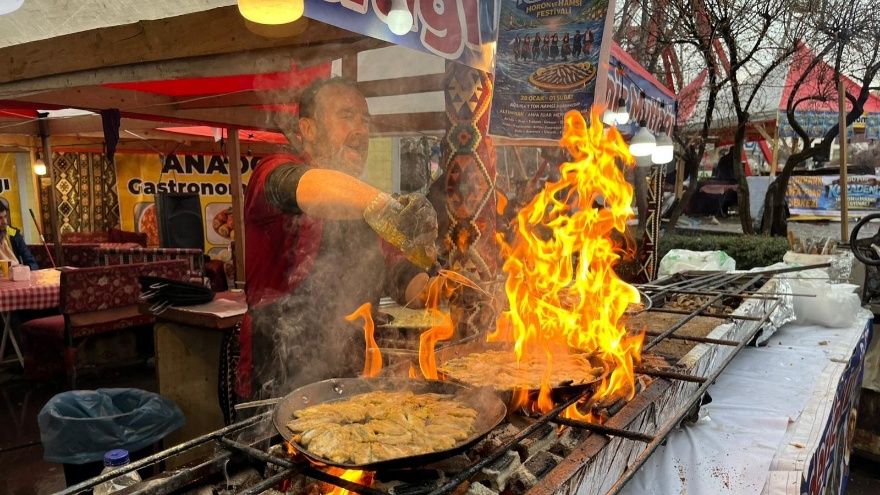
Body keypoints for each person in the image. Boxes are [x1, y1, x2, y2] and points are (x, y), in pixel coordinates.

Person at [238, 77, 439, 400]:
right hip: (280, 376)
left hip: (355, 379)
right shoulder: (274, 170)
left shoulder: (364, 203)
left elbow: (401, 276)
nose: (360, 130)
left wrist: (441, 291)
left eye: (364, 120)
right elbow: (305, 186)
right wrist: (386, 206)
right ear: (309, 129)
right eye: (346, 116)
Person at [0, 202, 39, 271]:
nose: (5, 222)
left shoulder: (14, 234)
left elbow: (32, 263)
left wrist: (24, 270)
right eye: (0, 218)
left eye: (5, 216)